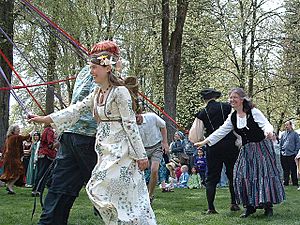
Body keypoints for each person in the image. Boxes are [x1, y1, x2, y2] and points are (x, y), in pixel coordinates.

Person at [29, 40, 156, 225]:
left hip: (74, 137)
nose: (93, 69)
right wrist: (45, 119)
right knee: (109, 191)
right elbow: (85, 106)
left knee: (63, 189)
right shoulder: (99, 77)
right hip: (90, 140)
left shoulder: (88, 73)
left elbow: (121, 116)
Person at [195, 87, 285, 218]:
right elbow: (221, 131)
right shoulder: (232, 117)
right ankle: (250, 207)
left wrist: (268, 131)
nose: (232, 100)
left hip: (261, 148)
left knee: (262, 175)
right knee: (242, 176)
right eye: (230, 98)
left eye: (235, 97)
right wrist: (205, 141)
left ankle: (267, 206)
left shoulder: (253, 112)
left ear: (242, 99)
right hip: (247, 149)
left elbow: (265, 124)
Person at [189, 88, 240, 214]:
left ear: (204, 99)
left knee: (212, 177)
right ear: (215, 97)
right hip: (231, 145)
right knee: (232, 174)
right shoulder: (228, 107)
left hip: (213, 146)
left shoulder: (202, 112)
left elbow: (195, 136)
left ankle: (211, 207)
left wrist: (201, 139)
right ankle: (234, 203)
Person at [136, 112, 169, 203]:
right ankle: (141, 194)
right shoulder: (132, 124)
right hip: (142, 149)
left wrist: (165, 142)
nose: (136, 119)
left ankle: (150, 195)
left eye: (137, 116)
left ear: (140, 113)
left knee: (154, 170)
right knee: (139, 173)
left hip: (156, 147)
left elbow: (163, 126)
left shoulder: (152, 117)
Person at [0, 125, 30, 194]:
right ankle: (10, 186)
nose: (19, 130)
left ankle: (9, 187)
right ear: (13, 130)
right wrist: (32, 132)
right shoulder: (15, 137)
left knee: (12, 173)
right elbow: (25, 137)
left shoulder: (9, 138)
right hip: (12, 159)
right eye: (17, 129)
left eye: (19, 128)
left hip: (10, 158)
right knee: (18, 172)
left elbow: (6, 149)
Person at [32, 124, 57, 196]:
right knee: (43, 173)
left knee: (41, 173)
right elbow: (50, 144)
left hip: (43, 154)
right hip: (47, 154)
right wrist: (57, 143)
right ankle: (37, 190)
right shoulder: (49, 131)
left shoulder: (46, 130)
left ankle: (37, 190)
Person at [280, 120, 300, 187]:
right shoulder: (283, 134)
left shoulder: (295, 134)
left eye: (287, 125)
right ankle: (286, 182)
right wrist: (281, 151)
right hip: (284, 154)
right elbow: (281, 143)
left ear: (291, 125)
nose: (286, 126)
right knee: (285, 169)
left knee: (293, 169)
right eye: (285, 125)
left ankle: (295, 183)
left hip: (292, 154)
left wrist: (295, 152)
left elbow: (298, 144)